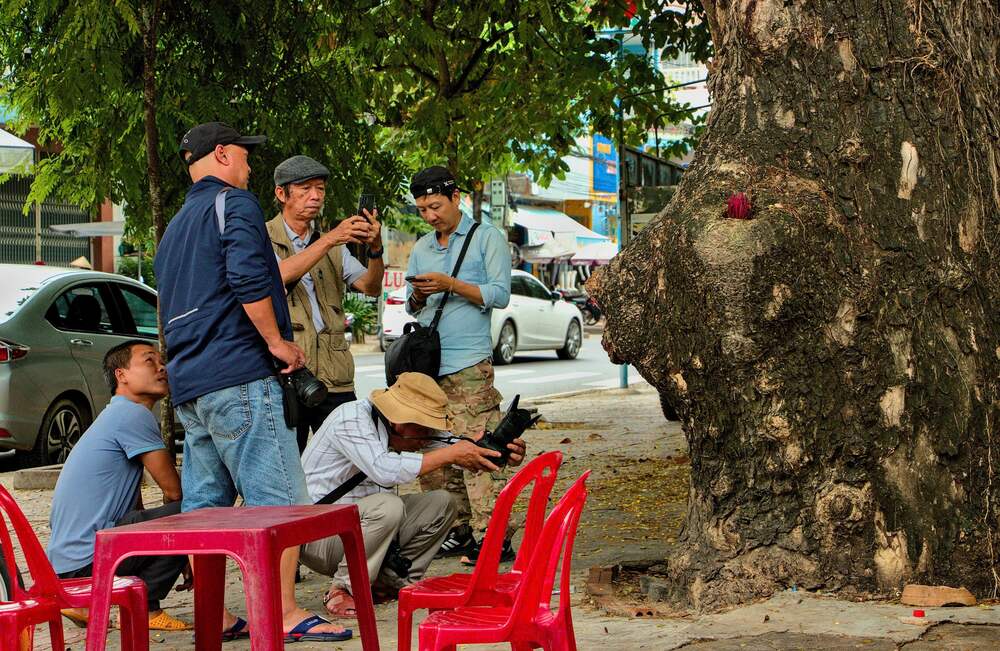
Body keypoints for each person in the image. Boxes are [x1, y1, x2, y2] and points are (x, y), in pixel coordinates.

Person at [154, 122, 348, 642]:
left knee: (205, 509)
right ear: (221, 155)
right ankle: (282, 614)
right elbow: (247, 278)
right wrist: (277, 342)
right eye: (244, 155)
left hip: (192, 385)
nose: (249, 166)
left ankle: (213, 615)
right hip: (240, 374)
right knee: (279, 500)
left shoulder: (175, 226)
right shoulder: (234, 205)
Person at [299, 372, 525, 617]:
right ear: (399, 421)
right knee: (388, 506)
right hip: (317, 536)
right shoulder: (350, 419)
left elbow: (453, 450)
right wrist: (451, 454)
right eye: (423, 429)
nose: (426, 440)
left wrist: (495, 454)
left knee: (442, 503)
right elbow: (385, 469)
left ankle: (389, 582)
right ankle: (342, 588)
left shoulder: (409, 430)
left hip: (359, 530)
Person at [404, 166, 513, 560]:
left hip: (469, 365)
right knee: (435, 456)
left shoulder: (486, 238)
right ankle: (457, 530)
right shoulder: (421, 247)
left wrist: (450, 284)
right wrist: (418, 296)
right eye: (421, 210)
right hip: (428, 368)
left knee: (478, 451)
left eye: (435, 206)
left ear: (456, 198)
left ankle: (494, 535)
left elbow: (500, 295)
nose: (430, 216)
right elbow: (411, 306)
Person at [47, 341, 190, 632]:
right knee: (193, 510)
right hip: (89, 559)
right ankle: (144, 608)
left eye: (162, 361)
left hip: (66, 565)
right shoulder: (132, 414)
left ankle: (119, 603)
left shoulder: (116, 414)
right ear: (121, 375)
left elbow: (134, 505)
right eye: (149, 360)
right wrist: (191, 548)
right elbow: (174, 492)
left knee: (170, 517)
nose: (162, 367)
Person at [267, 155, 384, 452]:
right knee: (288, 468)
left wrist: (375, 249)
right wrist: (332, 238)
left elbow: (370, 287)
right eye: (305, 188)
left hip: (335, 376)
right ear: (281, 194)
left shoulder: (333, 245)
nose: (316, 196)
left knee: (349, 463)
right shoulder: (262, 237)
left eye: (320, 188)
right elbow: (278, 277)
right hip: (289, 373)